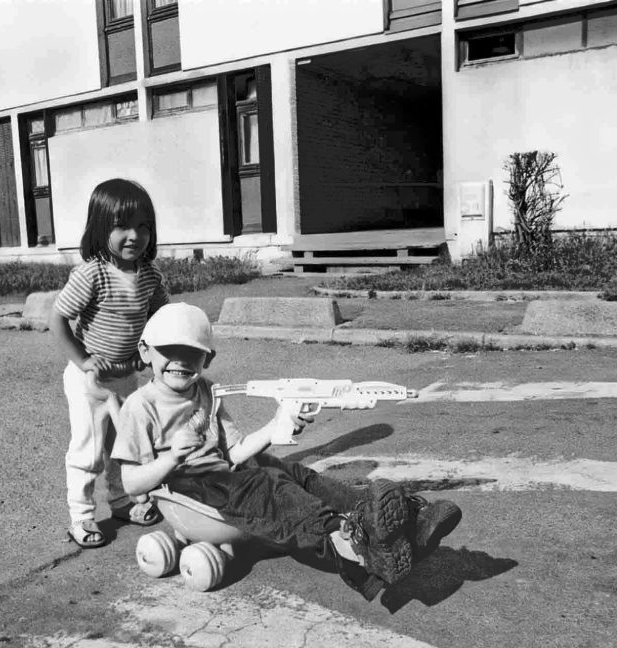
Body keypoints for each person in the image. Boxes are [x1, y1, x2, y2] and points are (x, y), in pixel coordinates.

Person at [111, 303, 462, 600]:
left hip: (222, 473)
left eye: (192, 353)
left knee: (296, 475)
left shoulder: (207, 390)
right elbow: (131, 484)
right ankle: (356, 545)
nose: (180, 360)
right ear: (145, 352)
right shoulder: (141, 407)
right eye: (168, 351)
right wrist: (171, 457)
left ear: (208, 358)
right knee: (270, 490)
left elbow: (234, 451)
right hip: (188, 486)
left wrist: (277, 426)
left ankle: (397, 522)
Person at [49, 178, 170, 548]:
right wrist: (84, 360)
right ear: (101, 229)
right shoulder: (93, 274)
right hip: (90, 381)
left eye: (143, 226)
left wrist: (149, 353)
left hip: (125, 377)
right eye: (122, 226)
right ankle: (81, 517)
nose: (134, 235)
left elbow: (160, 320)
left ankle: (121, 500)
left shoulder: (150, 276)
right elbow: (57, 321)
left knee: (123, 445)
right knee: (88, 448)